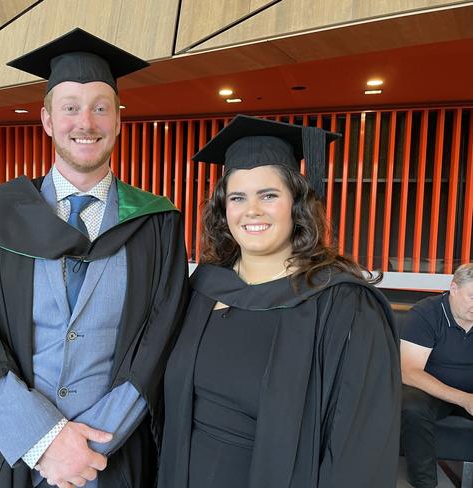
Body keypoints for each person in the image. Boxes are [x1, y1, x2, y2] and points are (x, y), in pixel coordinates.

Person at [0, 28, 188, 488]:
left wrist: (89, 447)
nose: (86, 122)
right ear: (48, 121)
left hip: (111, 458)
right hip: (13, 453)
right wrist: (44, 440)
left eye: (100, 107)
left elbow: (159, 341)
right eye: (71, 107)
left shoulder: (158, 223)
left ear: (118, 119)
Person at [158, 115, 401, 488]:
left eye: (268, 195)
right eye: (238, 197)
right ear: (224, 211)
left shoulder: (342, 304)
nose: (251, 210)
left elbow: (361, 446)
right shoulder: (201, 290)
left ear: (297, 204)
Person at [400, 263, 473, 488]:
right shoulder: (426, 313)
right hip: (431, 390)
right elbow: (409, 372)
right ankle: (425, 483)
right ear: (453, 289)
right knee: (412, 405)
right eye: (472, 297)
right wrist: (463, 398)